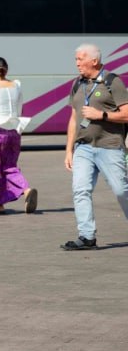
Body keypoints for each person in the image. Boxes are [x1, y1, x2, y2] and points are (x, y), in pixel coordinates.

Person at [61, 44, 128, 251]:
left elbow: (126, 114)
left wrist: (102, 115)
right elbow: (74, 119)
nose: (77, 63)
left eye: (81, 59)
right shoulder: (77, 84)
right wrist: (69, 150)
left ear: (94, 61)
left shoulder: (112, 82)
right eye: (76, 59)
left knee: (120, 190)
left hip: (110, 145)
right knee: (80, 190)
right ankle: (87, 236)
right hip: (84, 148)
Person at [0, 57, 36, 215]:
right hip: (13, 132)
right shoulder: (15, 86)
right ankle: (26, 189)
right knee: (10, 166)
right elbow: (19, 108)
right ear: (6, 70)